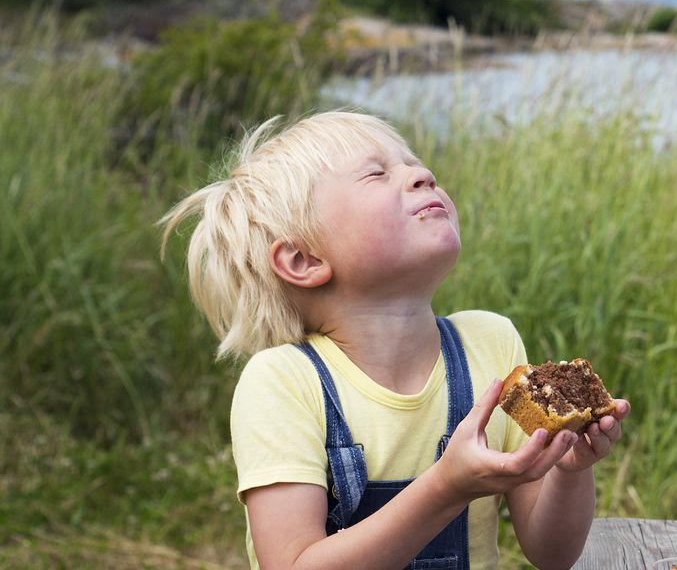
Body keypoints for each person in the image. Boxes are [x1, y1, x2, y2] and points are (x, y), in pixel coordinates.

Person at [159, 111, 630, 569]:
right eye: (377, 174)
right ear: (303, 259)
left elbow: (552, 554)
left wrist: (570, 471)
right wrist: (447, 487)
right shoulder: (284, 382)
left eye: (414, 162)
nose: (423, 174)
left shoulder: (490, 343)